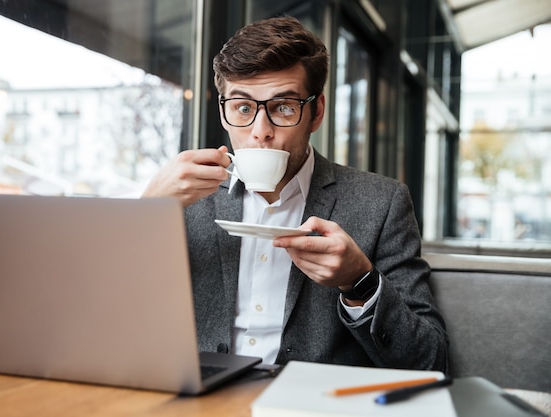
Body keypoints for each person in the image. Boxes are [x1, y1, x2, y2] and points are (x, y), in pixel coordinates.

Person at [143, 16, 448, 372]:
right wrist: (147, 212)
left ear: (315, 113)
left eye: (283, 108)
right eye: (243, 107)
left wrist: (360, 281)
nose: (261, 132)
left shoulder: (382, 203)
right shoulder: (179, 197)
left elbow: (430, 361)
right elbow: (109, 314)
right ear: (224, 114)